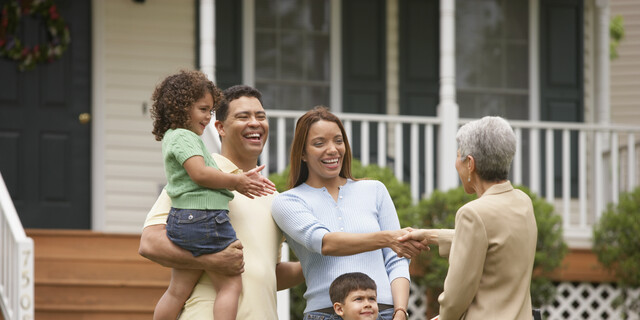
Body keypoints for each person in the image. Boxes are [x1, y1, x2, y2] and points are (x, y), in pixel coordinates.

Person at [140, 84, 304, 319]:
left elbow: (268, 273)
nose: (255, 123)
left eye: (261, 116)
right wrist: (212, 260)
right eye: (243, 116)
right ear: (220, 127)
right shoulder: (200, 175)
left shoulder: (273, 197)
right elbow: (149, 243)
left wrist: (311, 266)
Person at [271, 106, 422, 320]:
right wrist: (388, 238)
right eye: (319, 143)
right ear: (302, 153)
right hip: (325, 314)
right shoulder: (288, 201)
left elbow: (396, 259)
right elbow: (325, 243)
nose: (332, 149)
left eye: (338, 141)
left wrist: (400, 312)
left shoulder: (375, 190)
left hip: (384, 312)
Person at [399, 116, 538, 320]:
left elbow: (457, 294)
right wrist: (430, 236)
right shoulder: (523, 202)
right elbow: (492, 242)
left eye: (458, 156)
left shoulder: (473, 213)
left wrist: (445, 317)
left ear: (470, 163)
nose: (456, 164)